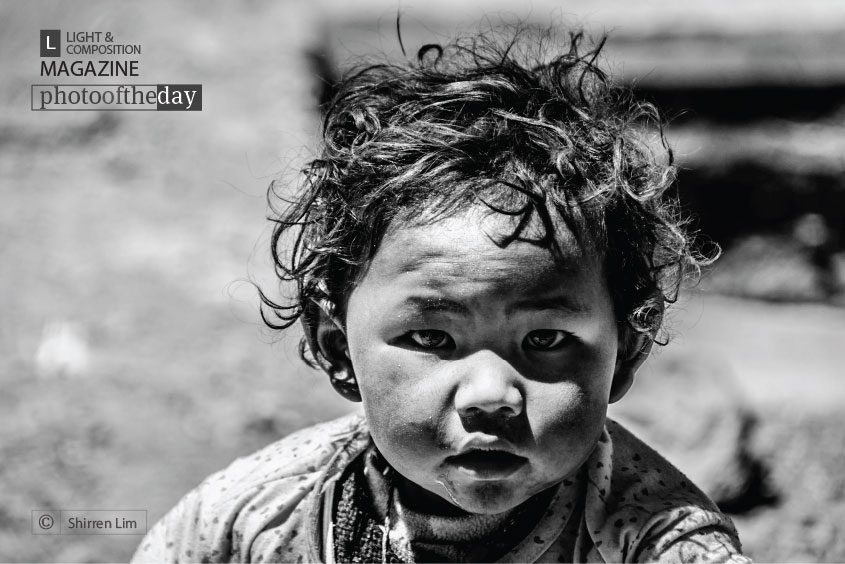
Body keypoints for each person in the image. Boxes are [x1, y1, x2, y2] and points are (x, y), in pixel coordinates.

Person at [133, 28, 749, 563]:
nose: (491, 395)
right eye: (431, 338)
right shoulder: (249, 524)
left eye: (545, 340)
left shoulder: (653, 540)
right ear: (336, 349)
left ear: (627, 355)